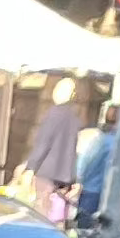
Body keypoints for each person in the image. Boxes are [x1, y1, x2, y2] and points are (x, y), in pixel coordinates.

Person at [27, 78, 81, 225]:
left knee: (41, 213)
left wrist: (31, 167)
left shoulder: (53, 114)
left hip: (47, 172)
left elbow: (43, 143)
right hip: (64, 176)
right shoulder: (74, 117)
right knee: (58, 214)